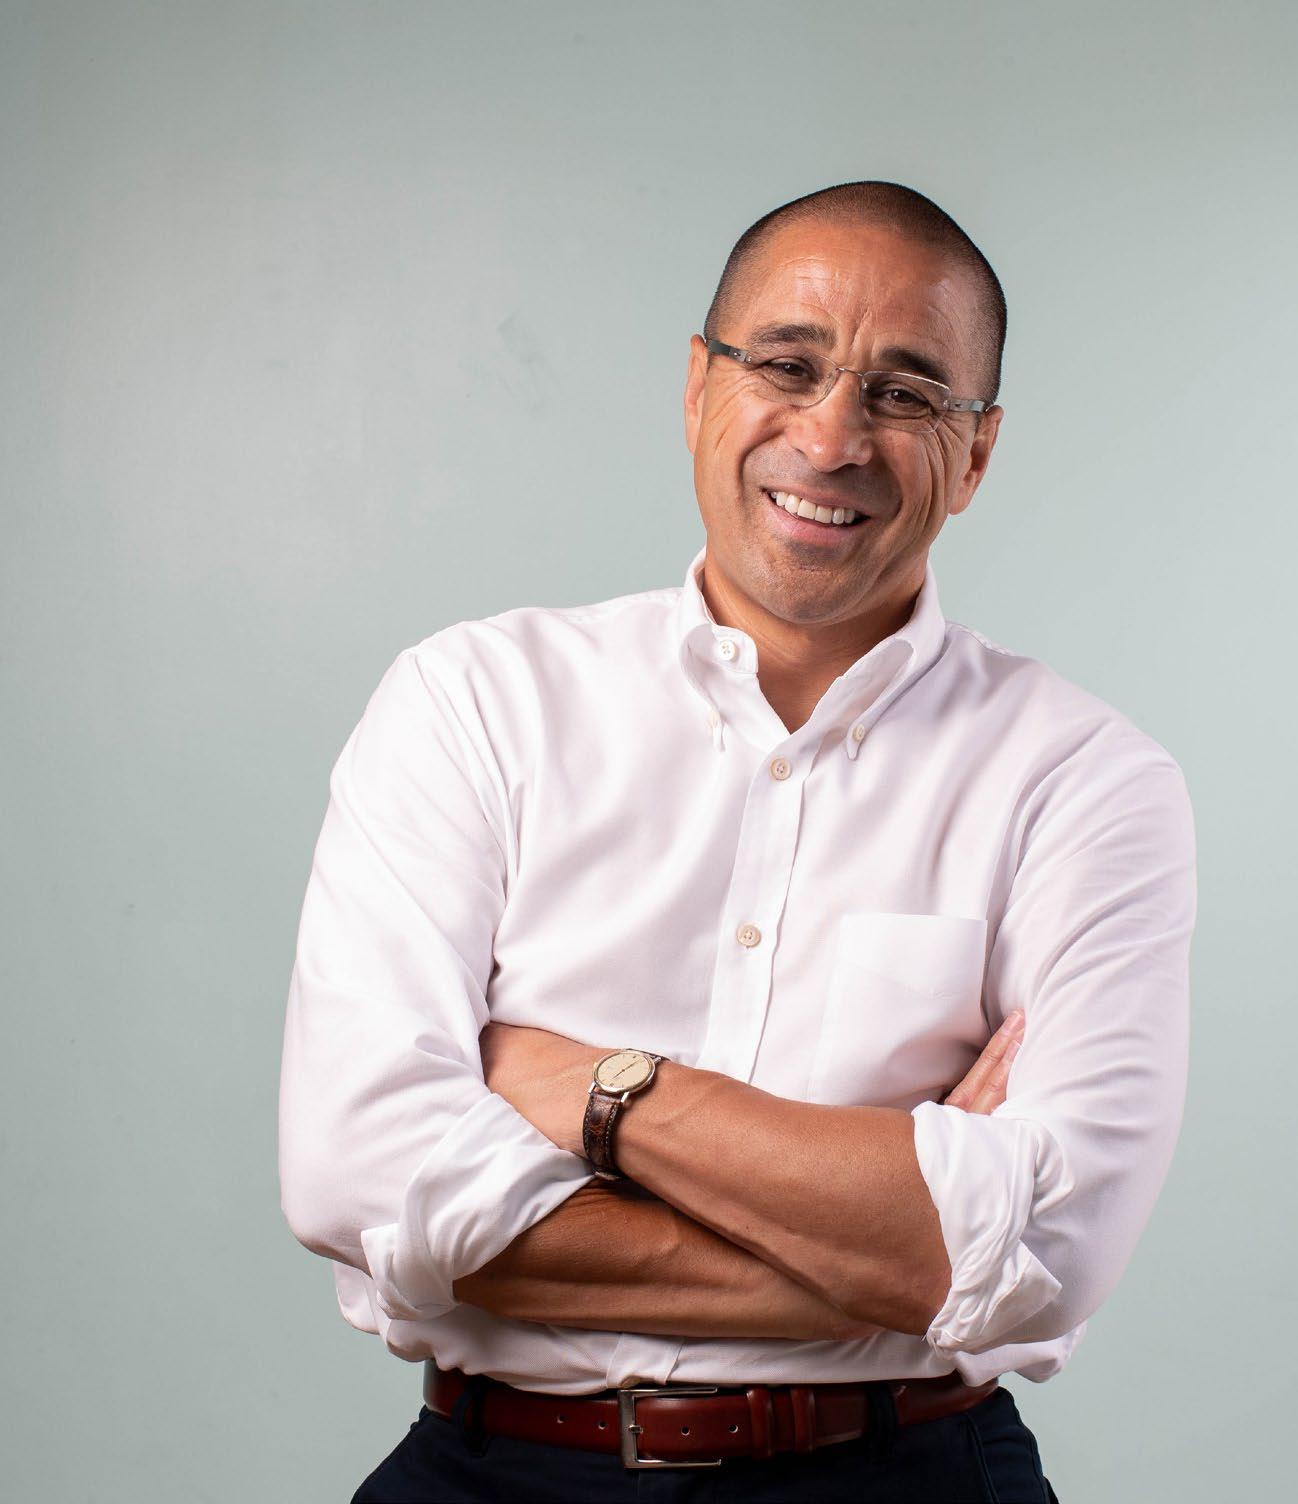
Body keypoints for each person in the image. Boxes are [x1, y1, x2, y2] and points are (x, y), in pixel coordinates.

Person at [277, 180, 1196, 1502]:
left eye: (904, 393)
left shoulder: (1083, 782)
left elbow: (1055, 1246)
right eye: (787, 365)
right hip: (493, 1476)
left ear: (976, 453)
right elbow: (357, 1173)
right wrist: (905, 1246)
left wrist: (596, 1089)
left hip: (906, 1479)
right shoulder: (471, 703)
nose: (830, 438)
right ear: (699, 385)